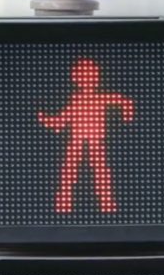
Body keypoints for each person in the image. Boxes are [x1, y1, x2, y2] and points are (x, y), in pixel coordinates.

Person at [37, 57, 136, 214]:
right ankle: (64, 204)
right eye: (82, 75)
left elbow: (122, 101)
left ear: (96, 77)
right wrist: (46, 120)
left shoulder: (100, 98)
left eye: (90, 75)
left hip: (95, 140)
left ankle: (107, 204)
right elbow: (62, 120)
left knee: (100, 171)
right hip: (76, 141)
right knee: (70, 170)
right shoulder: (76, 100)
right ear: (75, 78)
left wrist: (127, 112)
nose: (87, 79)